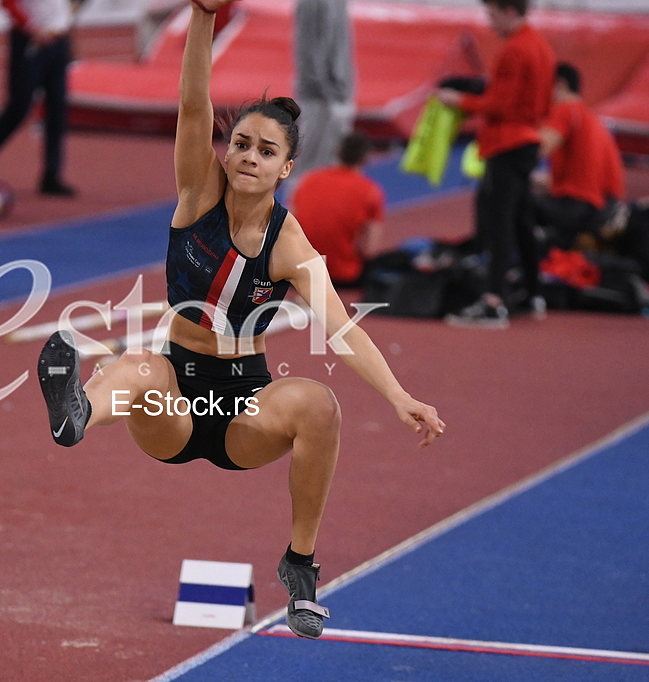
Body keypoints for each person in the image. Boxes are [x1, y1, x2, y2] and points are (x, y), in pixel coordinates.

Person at [35, 0, 444, 641]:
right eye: (242, 144)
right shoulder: (198, 192)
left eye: (266, 150)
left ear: (287, 168)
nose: (248, 155)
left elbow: (343, 329)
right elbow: (194, 106)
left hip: (242, 411)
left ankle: (300, 563)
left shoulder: (290, 244)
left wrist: (400, 396)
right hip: (173, 398)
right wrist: (203, 17)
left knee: (319, 404)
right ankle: (77, 415)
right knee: (137, 364)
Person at [437, 0, 555, 328]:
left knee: (498, 224)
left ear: (509, 11)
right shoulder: (541, 47)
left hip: (507, 143)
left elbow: (499, 104)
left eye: (491, 14)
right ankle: (533, 293)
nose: (489, 22)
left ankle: (493, 301)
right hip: (526, 141)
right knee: (521, 221)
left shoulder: (515, 50)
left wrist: (459, 101)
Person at [0, 0, 77, 196]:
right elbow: (7, 2)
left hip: (58, 40)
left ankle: (52, 174)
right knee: (19, 107)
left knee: (58, 107)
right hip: (30, 41)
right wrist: (30, 27)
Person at [535, 62, 625, 250]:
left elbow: (539, 147)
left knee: (510, 201)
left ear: (560, 85)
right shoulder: (591, 120)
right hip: (599, 209)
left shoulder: (565, 109)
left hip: (575, 208)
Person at [290, 129, 384, 287]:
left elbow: (288, 224)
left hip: (299, 271)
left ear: (338, 153)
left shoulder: (307, 181)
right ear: (366, 158)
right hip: (343, 275)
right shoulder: (370, 191)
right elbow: (370, 249)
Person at [291, 0, 355, 178]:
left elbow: (342, 46)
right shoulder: (311, 3)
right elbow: (307, 50)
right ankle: (301, 203)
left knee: (336, 164)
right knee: (310, 165)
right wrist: (326, 91)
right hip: (319, 96)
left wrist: (344, 91)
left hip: (339, 92)